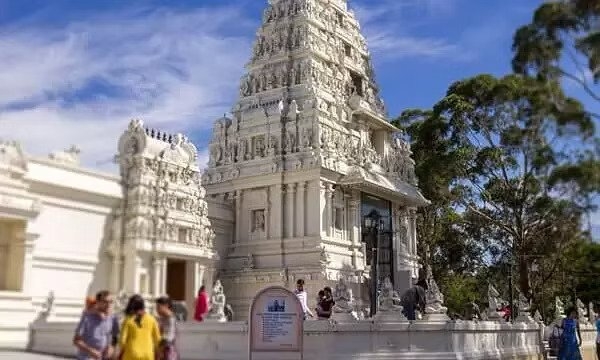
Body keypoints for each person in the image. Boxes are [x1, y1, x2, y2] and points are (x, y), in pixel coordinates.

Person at [73, 290, 118, 360]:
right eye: (105, 302)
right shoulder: (87, 317)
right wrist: (91, 351)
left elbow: (115, 337)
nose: (109, 305)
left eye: (111, 302)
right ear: (98, 302)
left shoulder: (113, 318)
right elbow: (76, 341)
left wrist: (111, 347)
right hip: (87, 357)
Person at [118, 295, 161, 360]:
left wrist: (120, 353)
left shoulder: (128, 320)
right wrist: (158, 353)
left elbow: (122, 341)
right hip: (148, 354)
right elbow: (157, 339)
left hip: (131, 353)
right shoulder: (152, 319)